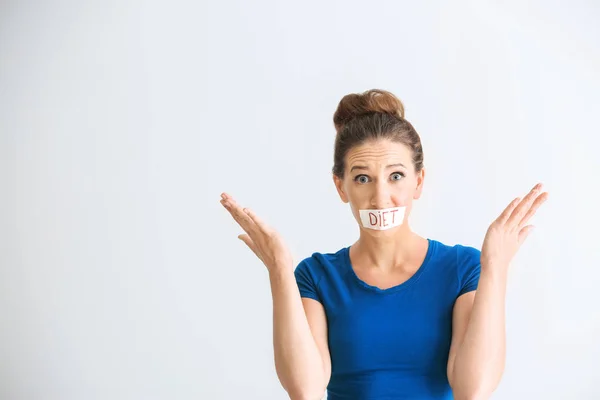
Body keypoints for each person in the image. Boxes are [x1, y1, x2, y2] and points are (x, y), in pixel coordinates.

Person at [220, 89, 548, 400]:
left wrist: (495, 269)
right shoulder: (317, 275)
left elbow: (472, 390)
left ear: (418, 182)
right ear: (341, 186)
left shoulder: (462, 268)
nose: (380, 198)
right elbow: (305, 391)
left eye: (396, 176)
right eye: (363, 178)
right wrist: (279, 269)